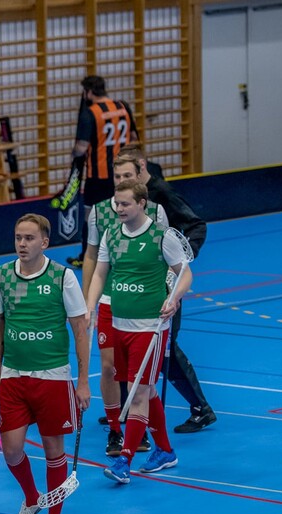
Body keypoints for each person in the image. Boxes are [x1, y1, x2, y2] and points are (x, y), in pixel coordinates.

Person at [0, 215, 91, 514]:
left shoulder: (62, 277)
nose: (22, 243)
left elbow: (80, 330)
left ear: (44, 242)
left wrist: (83, 382)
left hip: (53, 376)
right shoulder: (2, 275)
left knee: (53, 450)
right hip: (14, 376)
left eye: (29, 238)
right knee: (11, 449)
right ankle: (32, 498)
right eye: (18, 237)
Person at [85, 181, 193, 484]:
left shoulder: (162, 236)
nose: (119, 209)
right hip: (118, 325)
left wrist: (174, 299)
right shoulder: (111, 234)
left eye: (125, 204)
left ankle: (125, 461)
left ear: (142, 203)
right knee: (148, 390)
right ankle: (165, 451)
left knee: (138, 393)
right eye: (117, 204)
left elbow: (184, 274)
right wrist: (90, 307)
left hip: (149, 329)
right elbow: (100, 273)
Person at [81, 149, 169, 457]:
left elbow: (167, 258)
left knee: (138, 378)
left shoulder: (156, 212)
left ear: (139, 176)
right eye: (117, 176)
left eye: (127, 175)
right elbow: (93, 258)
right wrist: (88, 303)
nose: (121, 180)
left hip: (144, 307)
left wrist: (168, 295)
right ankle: (116, 431)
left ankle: (139, 429)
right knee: (108, 368)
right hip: (110, 302)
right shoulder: (99, 213)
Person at [125, 146, 216, 433]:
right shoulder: (126, 200)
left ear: (141, 167)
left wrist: (179, 261)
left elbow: (197, 225)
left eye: (126, 174)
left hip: (166, 283)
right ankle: (130, 404)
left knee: (166, 349)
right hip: (139, 284)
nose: (121, 181)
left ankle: (201, 408)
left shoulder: (161, 193)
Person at [69, 74, 139, 260]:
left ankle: (86, 256)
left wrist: (73, 155)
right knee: (124, 211)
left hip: (99, 176)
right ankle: (127, 253)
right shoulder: (123, 107)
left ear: (89, 92)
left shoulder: (90, 113)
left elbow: (81, 147)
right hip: (124, 173)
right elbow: (134, 138)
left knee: (90, 216)